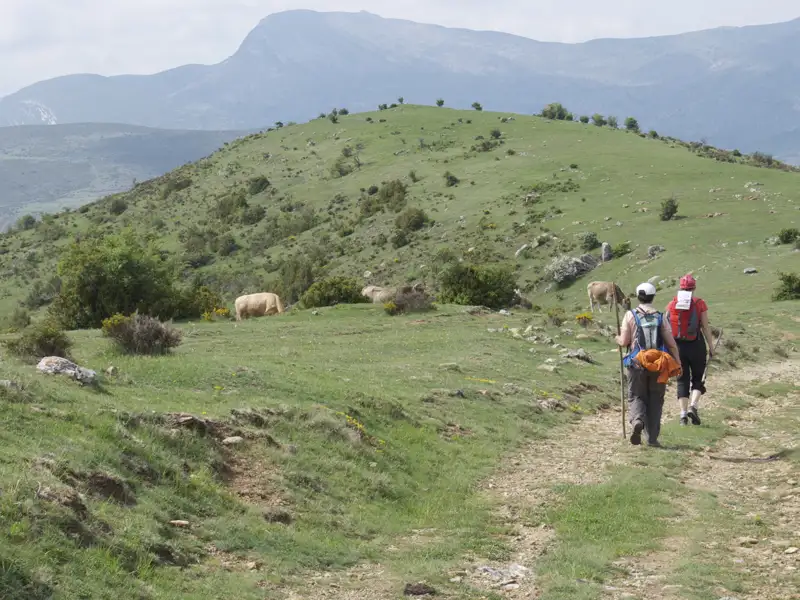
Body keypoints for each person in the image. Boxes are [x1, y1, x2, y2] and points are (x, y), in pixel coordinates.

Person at [616, 282, 682, 447]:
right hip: (658, 366)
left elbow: (624, 341)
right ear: (653, 297)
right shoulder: (660, 317)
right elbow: (671, 344)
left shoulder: (630, 315)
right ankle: (652, 438)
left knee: (636, 396)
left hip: (636, 363)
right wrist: (678, 363)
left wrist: (616, 338)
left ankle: (637, 420)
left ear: (638, 297)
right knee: (656, 400)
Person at [665, 274, 714, 426]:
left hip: (678, 347)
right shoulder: (700, 303)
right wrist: (711, 347)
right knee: (698, 378)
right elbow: (705, 327)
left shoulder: (672, 304)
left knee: (682, 380)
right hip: (696, 344)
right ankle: (694, 405)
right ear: (694, 288)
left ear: (680, 287)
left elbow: (666, 326)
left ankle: (683, 415)